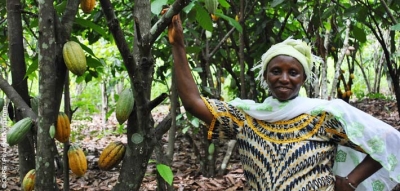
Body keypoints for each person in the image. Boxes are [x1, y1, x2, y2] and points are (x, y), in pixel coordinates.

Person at [167, 13, 400, 191]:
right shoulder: (246, 118)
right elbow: (192, 103)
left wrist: (350, 182)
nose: (284, 79)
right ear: (266, 76)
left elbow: (386, 142)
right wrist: (178, 46)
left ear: (303, 78)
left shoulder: (323, 117)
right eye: (276, 71)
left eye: (293, 73)